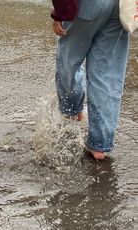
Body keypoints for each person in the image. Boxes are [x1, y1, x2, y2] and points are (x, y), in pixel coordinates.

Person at [51, 0, 129, 160]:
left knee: (69, 60)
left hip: (88, 5)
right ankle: (99, 145)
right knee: (107, 74)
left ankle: (72, 110)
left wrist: (60, 12)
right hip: (121, 5)